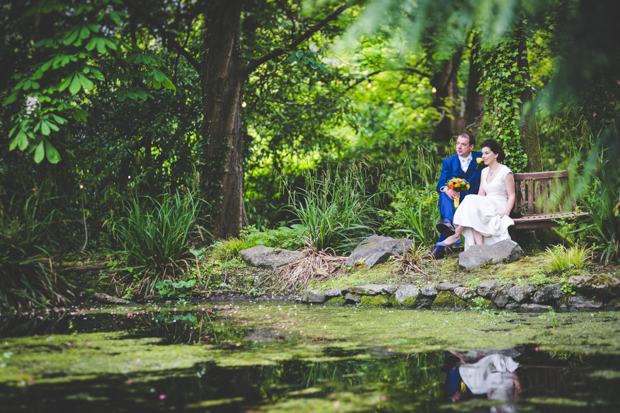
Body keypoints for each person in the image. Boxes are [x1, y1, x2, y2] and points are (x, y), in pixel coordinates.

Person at [437, 139, 515, 251]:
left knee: (470, 200)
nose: (483, 156)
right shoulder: (484, 171)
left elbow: (511, 195)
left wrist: (506, 212)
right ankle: (479, 247)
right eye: (482, 153)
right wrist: (476, 204)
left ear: (496, 154)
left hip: (499, 204)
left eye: (487, 153)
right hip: (487, 203)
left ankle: (456, 234)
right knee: (474, 209)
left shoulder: (505, 172)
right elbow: (480, 195)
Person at [428, 132, 482, 259]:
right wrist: (446, 189)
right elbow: (440, 183)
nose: (459, 147)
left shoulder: (480, 158)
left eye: (463, 144)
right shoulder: (448, 161)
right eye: (458, 143)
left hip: (472, 197)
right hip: (454, 197)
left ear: (471, 147)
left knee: (459, 200)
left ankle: (439, 249)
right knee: (443, 194)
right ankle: (447, 222)